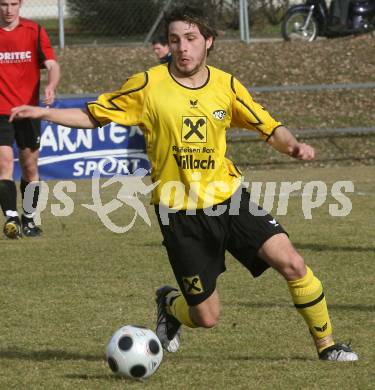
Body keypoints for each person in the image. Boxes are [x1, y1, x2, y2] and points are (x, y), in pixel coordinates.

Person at [10, 6, 358, 361]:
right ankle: (169, 304)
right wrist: (44, 112)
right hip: (179, 212)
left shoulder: (226, 85)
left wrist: (293, 146)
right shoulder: (147, 85)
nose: (183, 48)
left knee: (294, 264)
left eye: (191, 39)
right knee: (206, 317)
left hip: (230, 198)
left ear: (208, 41)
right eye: (175, 40)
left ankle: (327, 345)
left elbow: (268, 126)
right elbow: (92, 114)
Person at [0, 0, 60, 238]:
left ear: (20, 4)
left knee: (29, 167)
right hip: (1, 111)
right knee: (4, 163)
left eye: (13, 3)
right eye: (3, 4)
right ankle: (11, 218)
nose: (8, 9)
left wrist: (51, 85)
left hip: (28, 110)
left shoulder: (34, 31)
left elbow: (52, 64)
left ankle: (28, 218)